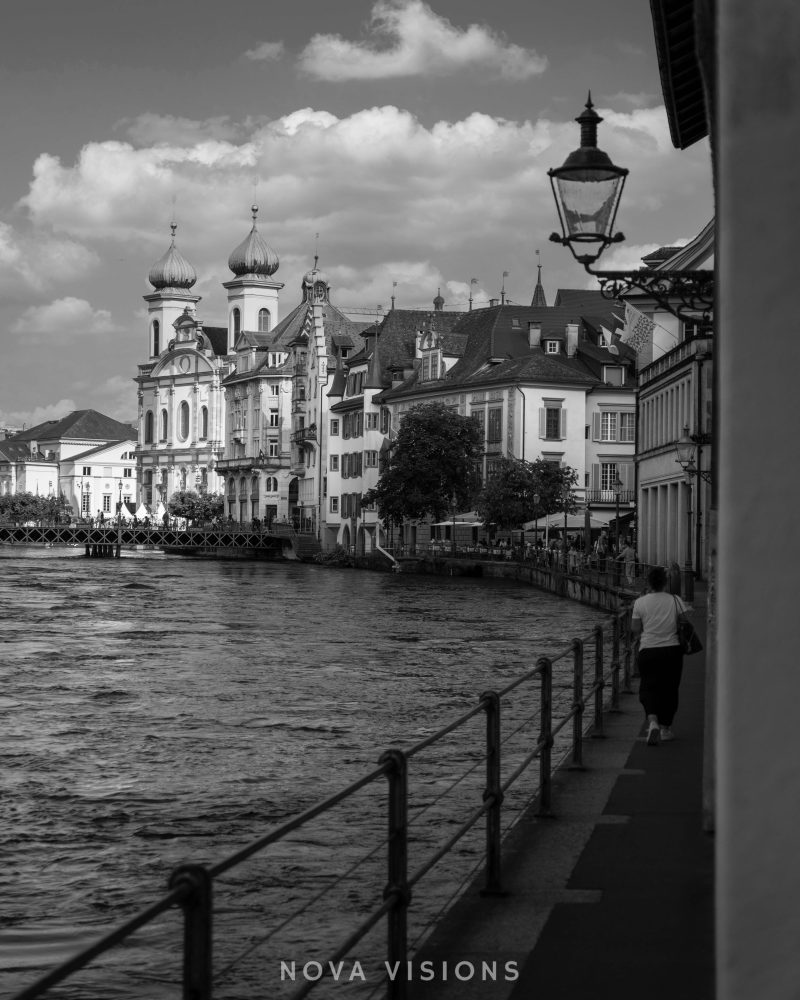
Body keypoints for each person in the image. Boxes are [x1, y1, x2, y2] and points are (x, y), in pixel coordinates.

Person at [630, 565, 691, 745]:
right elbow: (685, 621)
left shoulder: (640, 602)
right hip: (672, 650)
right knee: (670, 689)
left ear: (649, 583)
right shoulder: (675, 600)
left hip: (648, 650)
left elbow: (634, 628)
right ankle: (665, 729)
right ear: (666, 583)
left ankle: (652, 721)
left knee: (648, 687)